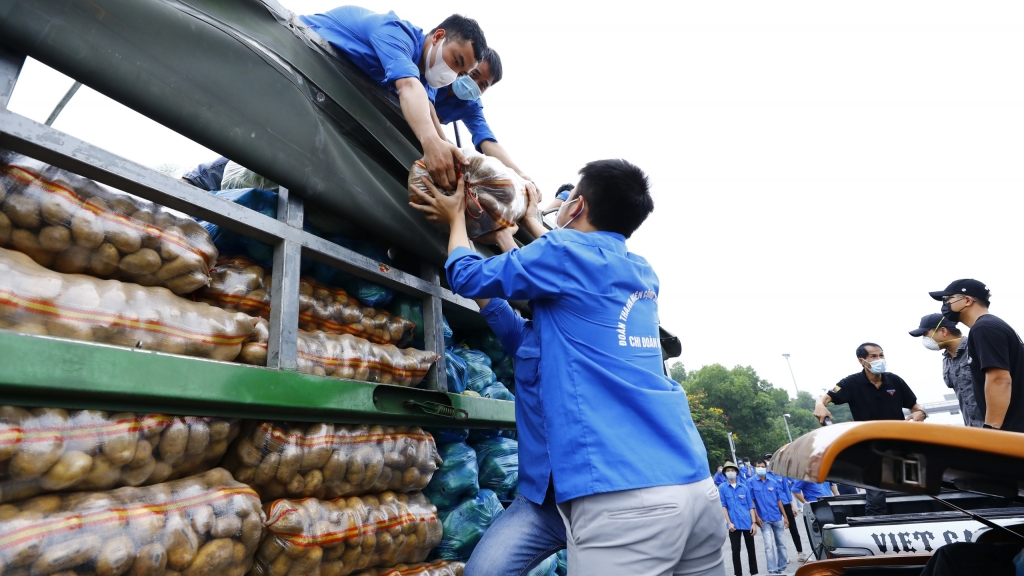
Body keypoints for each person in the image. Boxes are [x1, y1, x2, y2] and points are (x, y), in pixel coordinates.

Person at [409, 159, 727, 575]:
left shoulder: (563, 255)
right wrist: (512, 236)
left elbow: (470, 277)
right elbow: (522, 310)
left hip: (619, 494)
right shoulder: (638, 274)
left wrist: (455, 220)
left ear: (575, 207)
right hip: (689, 484)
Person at [462, 221, 567, 576]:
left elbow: (557, 266)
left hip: (594, 498)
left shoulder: (582, 336)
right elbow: (479, 285)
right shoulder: (521, 337)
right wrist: (462, 225)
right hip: (539, 502)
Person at [301, 7, 487, 191]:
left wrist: (448, 148)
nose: (453, 75)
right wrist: (431, 142)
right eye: (456, 61)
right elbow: (407, 86)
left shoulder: (426, 80)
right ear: (438, 37)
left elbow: (426, 108)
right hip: (293, 52)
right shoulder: (396, 33)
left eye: (460, 73)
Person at [814, 342, 928, 515]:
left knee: (911, 494)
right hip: (870, 449)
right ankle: (878, 531)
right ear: (862, 361)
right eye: (873, 356)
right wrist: (819, 404)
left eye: (881, 355)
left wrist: (920, 412)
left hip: (900, 446)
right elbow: (825, 398)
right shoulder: (851, 383)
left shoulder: (895, 380)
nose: (879, 359)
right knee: (876, 497)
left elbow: (915, 406)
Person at [930, 279, 1024, 433]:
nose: (944, 305)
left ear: (967, 300)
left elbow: (999, 380)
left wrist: (991, 429)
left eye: (947, 299)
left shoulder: (983, 328)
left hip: (1011, 431)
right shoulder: (992, 325)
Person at [430, 48, 534, 184]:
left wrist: (519, 175)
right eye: (474, 75)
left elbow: (487, 140)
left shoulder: (471, 105)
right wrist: (444, 143)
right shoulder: (440, 71)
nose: (474, 84)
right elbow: (423, 103)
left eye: (483, 85)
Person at [910, 312, 983, 427]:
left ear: (943, 331)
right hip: (974, 428)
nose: (925, 339)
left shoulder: (977, 348)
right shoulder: (947, 360)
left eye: (926, 334)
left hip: (998, 427)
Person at [763, 453, 805, 563]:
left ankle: (800, 553)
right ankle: (784, 555)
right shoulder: (765, 476)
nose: (770, 461)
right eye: (768, 459)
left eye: (771, 459)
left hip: (786, 504)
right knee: (778, 531)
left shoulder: (781, 474)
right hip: (774, 506)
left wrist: (792, 506)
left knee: (793, 529)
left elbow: (787, 490)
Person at [749, 461, 788, 575]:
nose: (760, 468)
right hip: (763, 519)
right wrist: (756, 517)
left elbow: (779, 500)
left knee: (781, 544)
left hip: (776, 516)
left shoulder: (773, 482)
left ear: (766, 468)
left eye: (762, 467)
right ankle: (772, 571)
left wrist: (785, 516)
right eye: (758, 467)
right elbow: (752, 501)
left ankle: (781, 567)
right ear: (755, 468)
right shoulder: (751, 482)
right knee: (768, 546)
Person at [719, 462, 758, 576]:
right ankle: (738, 573)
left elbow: (750, 505)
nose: (730, 472)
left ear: (736, 472)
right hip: (733, 525)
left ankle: (754, 572)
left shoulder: (744, 487)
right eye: (728, 470)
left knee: (751, 550)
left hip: (747, 523)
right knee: (735, 550)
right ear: (725, 473)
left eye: (732, 470)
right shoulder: (722, 488)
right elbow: (724, 506)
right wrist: (729, 522)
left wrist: (754, 523)